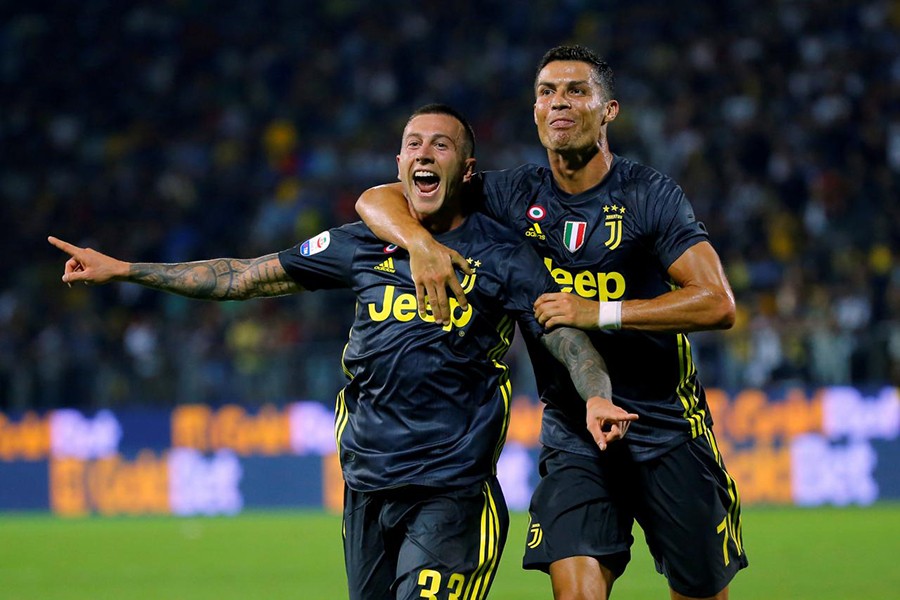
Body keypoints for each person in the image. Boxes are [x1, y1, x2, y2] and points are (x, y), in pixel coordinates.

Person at [50, 103, 637, 600]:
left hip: (453, 492)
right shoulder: (362, 244)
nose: (424, 153)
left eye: (440, 145)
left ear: (467, 168)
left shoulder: (503, 256)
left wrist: (597, 396)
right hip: (366, 486)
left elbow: (565, 334)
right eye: (413, 144)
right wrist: (126, 269)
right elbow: (243, 277)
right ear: (400, 166)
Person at [355, 47, 747, 599]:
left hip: (666, 426)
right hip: (574, 431)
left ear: (608, 110)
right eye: (546, 92)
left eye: (575, 91)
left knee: (700, 591)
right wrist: (419, 242)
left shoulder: (649, 196)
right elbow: (381, 197)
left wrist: (599, 313)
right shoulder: (510, 195)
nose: (558, 102)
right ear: (535, 112)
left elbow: (717, 302)